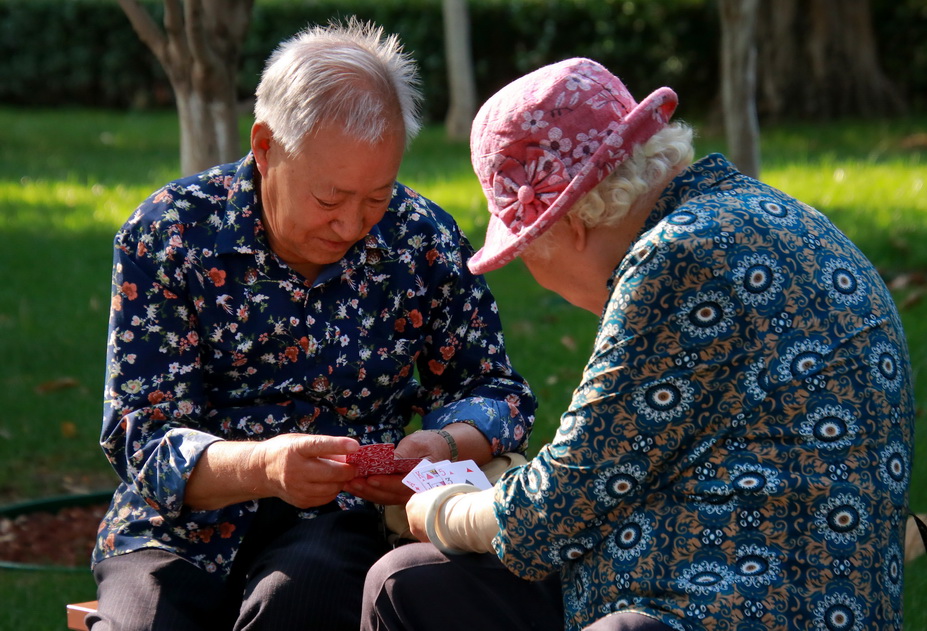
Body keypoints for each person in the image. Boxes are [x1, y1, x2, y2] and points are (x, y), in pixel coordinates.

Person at [362, 57, 915, 631]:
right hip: (789, 587)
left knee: (414, 583)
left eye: (524, 251)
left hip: (729, 604)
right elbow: (615, 460)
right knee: (409, 584)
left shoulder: (675, 259)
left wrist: (439, 508)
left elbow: (559, 507)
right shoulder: (772, 217)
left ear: (568, 225)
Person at [88, 18, 538, 631]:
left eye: (376, 197)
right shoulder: (170, 233)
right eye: (330, 199)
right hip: (174, 529)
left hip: (338, 521)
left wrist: (443, 446)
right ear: (266, 147)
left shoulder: (421, 238)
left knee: (299, 604)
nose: (352, 224)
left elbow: (496, 391)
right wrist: (264, 467)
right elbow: (141, 436)